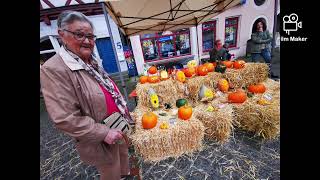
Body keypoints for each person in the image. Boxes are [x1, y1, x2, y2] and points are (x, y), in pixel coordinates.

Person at [40, 11, 133, 180]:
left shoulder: (90, 60)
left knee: (124, 167)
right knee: (111, 171)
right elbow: (65, 117)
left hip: (117, 127)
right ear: (62, 35)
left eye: (90, 36)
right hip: (101, 138)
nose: (87, 41)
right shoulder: (54, 68)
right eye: (79, 35)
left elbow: (107, 91)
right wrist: (103, 132)